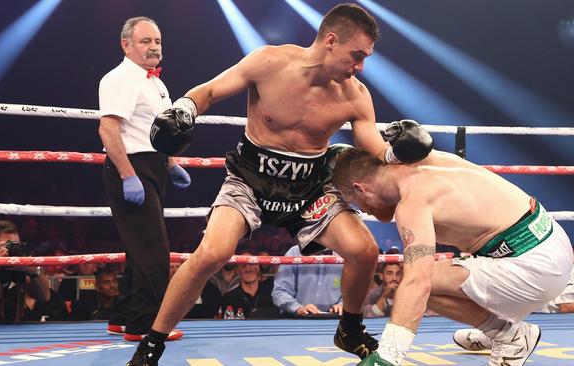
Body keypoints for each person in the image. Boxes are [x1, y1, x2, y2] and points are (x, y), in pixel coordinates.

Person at [127, 3, 434, 365]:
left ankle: (349, 329)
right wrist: (183, 109)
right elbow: (209, 92)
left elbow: (375, 146)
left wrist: (399, 153)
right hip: (249, 181)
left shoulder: (355, 95)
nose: (360, 66)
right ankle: (152, 343)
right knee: (212, 252)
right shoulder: (270, 63)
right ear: (331, 41)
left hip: (308, 190)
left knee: (364, 251)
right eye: (357, 55)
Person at [331, 148, 574, 366]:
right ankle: (503, 330)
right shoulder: (429, 159)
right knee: (421, 279)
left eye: (357, 204)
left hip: (533, 266)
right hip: (548, 239)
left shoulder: (413, 202)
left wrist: (387, 356)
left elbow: (418, 282)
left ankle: (508, 336)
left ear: (359, 188)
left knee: (415, 283)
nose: (363, 211)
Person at [98, 16, 190, 342]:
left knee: (140, 249)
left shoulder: (155, 82)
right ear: (126, 44)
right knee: (154, 249)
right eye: (145, 41)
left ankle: (122, 317)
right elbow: (108, 130)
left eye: (157, 42)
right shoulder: (121, 78)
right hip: (131, 167)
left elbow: (157, 131)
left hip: (152, 167)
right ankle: (145, 325)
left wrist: (170, 163)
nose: (153, 48)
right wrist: (128, 174)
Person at [0, 220, 51, 322]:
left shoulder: (18, 268)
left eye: (15, 244)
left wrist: (33, 269)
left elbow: (44, 297)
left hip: (14, 330)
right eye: (8, 245)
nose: (12, 249)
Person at [272, 244, 343, 317]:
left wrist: (342, 305)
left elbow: (352, 292)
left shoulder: (344, 253)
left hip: (335, 318)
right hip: (297, 319)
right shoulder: (294, 253)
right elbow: (279, 292)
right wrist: (298, 308)